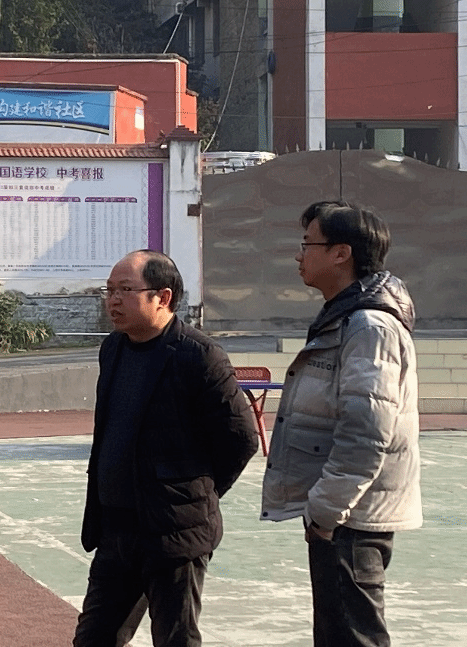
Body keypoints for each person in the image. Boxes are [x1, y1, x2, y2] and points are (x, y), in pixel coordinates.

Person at [74, 250, 259, 647]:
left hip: (174, 532)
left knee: (176, 640)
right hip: (116, 531)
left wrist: (196, 492)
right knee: (93, 638)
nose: (113, 300)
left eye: (125, 290)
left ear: (163, 297)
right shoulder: (114, 348)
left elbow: (241, 439)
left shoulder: (199, 356)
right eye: (109, 290)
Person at [261, 201, 422, 646]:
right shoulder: (346, 316)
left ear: (340, 253)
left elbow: (366, 432)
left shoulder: (369, 326)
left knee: (353, 636)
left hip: (353, 517)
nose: (299, 255)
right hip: (344, 513)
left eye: (307, 244)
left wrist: (327, 512)